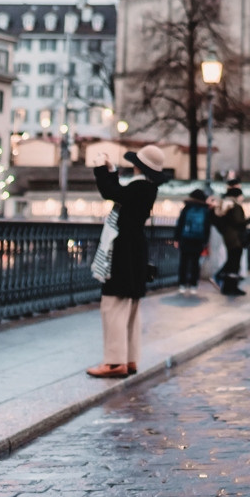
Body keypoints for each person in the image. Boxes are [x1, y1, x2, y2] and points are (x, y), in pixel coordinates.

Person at [87, 145, 172, 378]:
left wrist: (101, 169)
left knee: (113, 305)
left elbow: (110, 192)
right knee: (131, 308)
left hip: (123, 250)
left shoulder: (139, 187)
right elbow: (117, 190)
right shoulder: (147, 188)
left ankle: (114, 363)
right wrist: (111, 171)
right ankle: (130, 359)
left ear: (138, 165)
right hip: (136, 250)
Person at [212, 184, 248, 296]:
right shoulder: (235, 206)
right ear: (237, 196)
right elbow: (238, 222)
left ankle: (227, 286)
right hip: (236, 238)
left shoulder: (225, 205)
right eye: (241, 195)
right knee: (234, 263)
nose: (242, 197)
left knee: (232, 261)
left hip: (228, 237)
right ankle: (230, 286)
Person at [174, 187, 213, 293]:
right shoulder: (205, 210)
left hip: (185, 239)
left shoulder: (187, 208)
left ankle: (182, 284)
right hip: (198, 240)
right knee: (195, 263)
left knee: (184, 262)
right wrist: (205, 240)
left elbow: (180, 224)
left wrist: (176, 238)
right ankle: (193, 285)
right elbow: (207, 227)